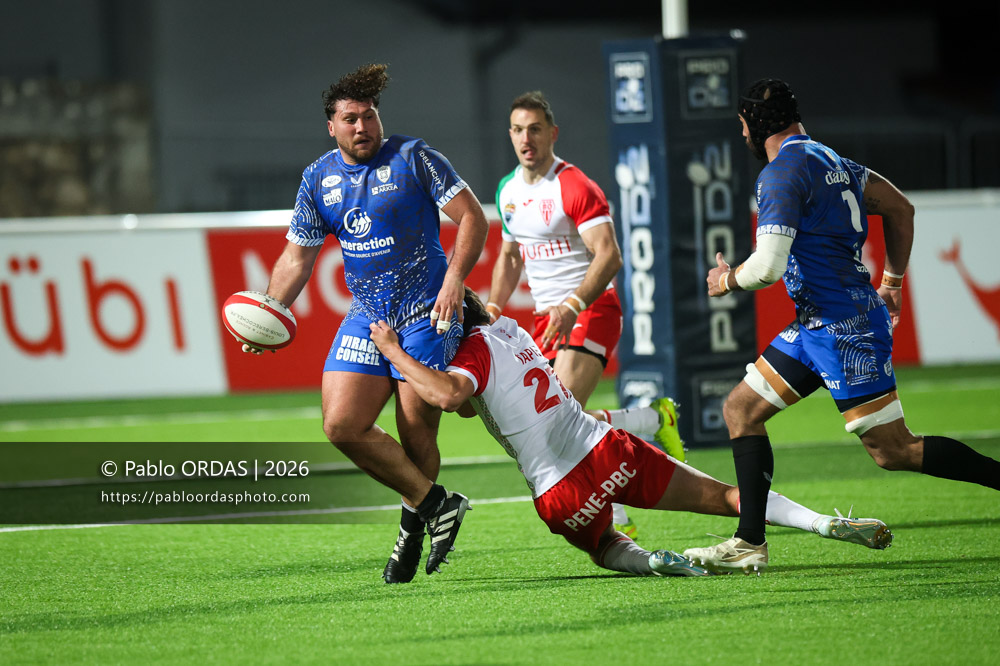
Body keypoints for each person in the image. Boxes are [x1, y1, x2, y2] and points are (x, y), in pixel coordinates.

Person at [688, 78, 1000, 574]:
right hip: (817, 325)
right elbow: (901, 206)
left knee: (894, 451)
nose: (742, 134)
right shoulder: (831, 160)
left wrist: (726, 279)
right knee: (740, 411)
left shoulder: (780, 174)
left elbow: (767, 267)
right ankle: (750, 542)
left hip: (843, 329)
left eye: (742, 125)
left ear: (752, 126)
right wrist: (892, 281)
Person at [367, 288, 894, 578]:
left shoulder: (467, 357)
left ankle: (657, 563)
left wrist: (394, 351)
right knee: (732, 497)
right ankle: (823, 523)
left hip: (559, 491)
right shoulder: (510, 329)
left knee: (604, 547)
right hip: (607, 450)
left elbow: (449, 397)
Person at [242, 63, 488, 583]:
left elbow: (472, 217)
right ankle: (436, 504)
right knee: (340, 425)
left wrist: (454, 282)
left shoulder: (415, 156)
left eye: (369, 116)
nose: (362, 127)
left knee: (415, 427)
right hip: (368, 315)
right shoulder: (318, 179)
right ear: (330, 127)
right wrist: (270, 310)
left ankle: (411, 528)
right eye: (350, 119)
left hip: (428, 308)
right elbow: (297, 259)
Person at [488, 91, 683, 538]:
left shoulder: (573, 185)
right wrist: (494, 310)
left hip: (590, 308)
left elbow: (609, 255)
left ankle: (617, 516)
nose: (526, 138)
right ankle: (652, 419)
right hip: (546, 318)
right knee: (545, 420)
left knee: (560, 419)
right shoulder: (507, 190)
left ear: (552, 133)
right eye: (518, 130)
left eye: (535, 129)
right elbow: (510, 256)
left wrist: (572, 304)